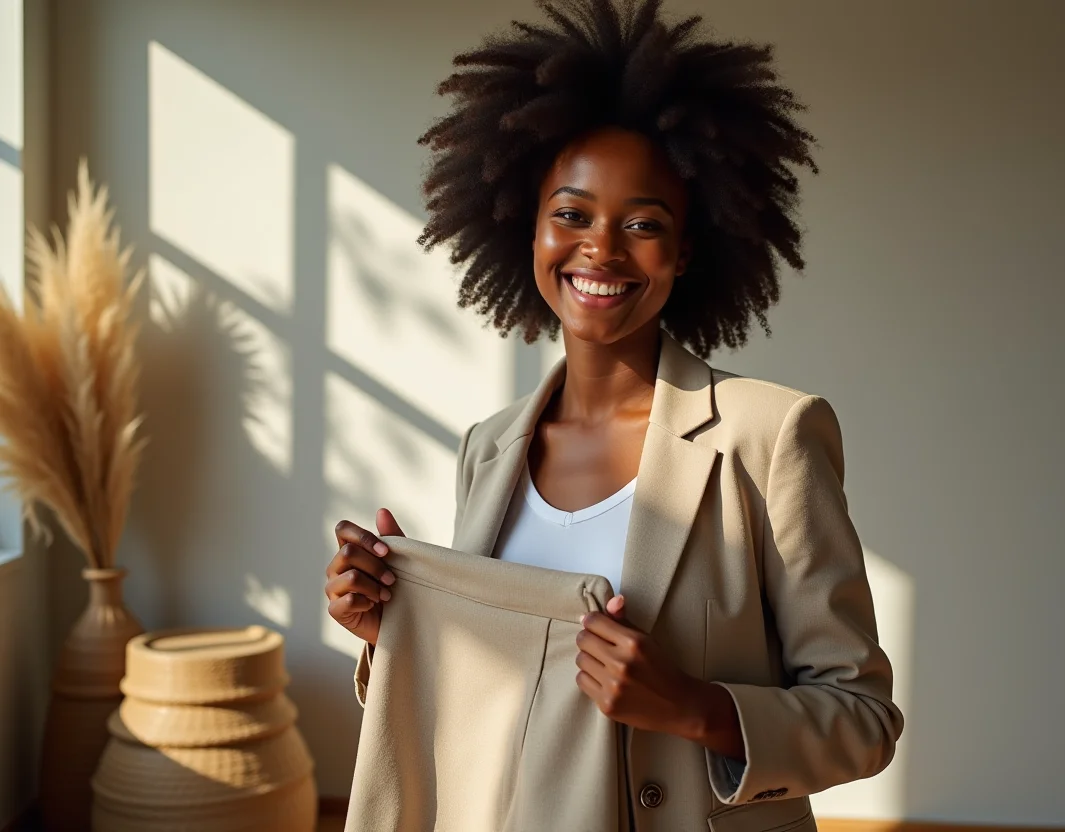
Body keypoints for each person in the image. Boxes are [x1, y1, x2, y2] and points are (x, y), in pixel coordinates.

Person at [324, 0, 903, 827]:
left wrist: (695, 707)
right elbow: (497, 693)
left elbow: (864, 721)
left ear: (686, 250)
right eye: (571, 214)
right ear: (526, 228)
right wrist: (388, 631)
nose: (600, 249)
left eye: (642, 224)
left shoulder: (770, 437)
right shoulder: (487, 449)